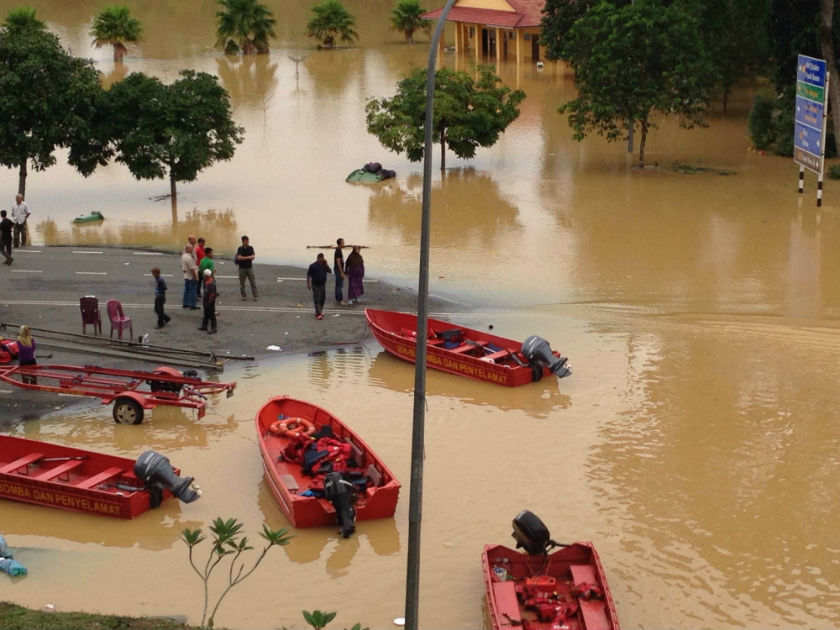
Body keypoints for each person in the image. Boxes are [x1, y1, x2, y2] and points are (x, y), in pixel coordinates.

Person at [307, 252, 332, 320]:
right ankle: (318, 314)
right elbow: (308, 275)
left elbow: (330, 271)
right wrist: (308, 284)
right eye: (320, 258)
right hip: (315, 284)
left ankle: (319, 311)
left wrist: (326, 264)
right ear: (318, 258)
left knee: (323, 298)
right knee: (317, 299)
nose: (321, 260)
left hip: (322, 284)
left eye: (323, 258)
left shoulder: (324, 265)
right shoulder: (313, 266)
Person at [235, 235, 258, 301]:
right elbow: (239, 257)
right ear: (243, 241)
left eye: (248, 241)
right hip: (241, 268)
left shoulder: (251, 248)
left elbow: (253, 257)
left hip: (249, 267)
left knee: (253, 282)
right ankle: (243, 296)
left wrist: (243, 258)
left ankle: (255, 295)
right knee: (242, 283)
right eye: (246, 241)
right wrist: (248, 257)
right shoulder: (240, 248)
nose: (247, 242)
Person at [198, 268, 218, 334]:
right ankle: (204, 326)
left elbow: (212, 294)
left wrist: (209, 301)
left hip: (210, 301)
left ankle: (214, 328)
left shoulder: (211, 284)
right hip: (206, 300)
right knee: (206, 314)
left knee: (212, 315)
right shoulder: (205, 281)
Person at [181, 244, 199, 309]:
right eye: (191, 249)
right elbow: (192, 269)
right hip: (191, 276)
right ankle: (193, 305)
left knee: (187, 290)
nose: (192, 250)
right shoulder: (189, 258)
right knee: (193, 291)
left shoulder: (183, 256)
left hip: (186, 276)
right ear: (187, 249)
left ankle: (185, 303)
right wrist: (196, 277)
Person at [333, 237, 347, 305]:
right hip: (338, 270)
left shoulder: (339, 250)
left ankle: (337, 298)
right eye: (343, 243)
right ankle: (340, 299)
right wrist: (341, 272)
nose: (344, 244)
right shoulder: (338, 250)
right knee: (339, 285)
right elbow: (338, 262)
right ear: (339, 244)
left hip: (338, 269)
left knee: (338, 284)